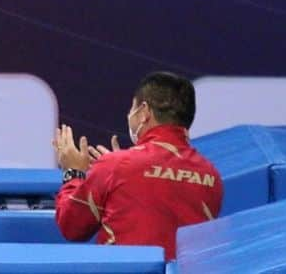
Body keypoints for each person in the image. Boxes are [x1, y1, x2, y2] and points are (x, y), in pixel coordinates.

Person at [52, 71, 223, 260]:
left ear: (143, 112)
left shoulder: (116, 166)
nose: (129, 115)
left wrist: (73, 172)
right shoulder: (211, 176)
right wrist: (118, 171)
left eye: (131, 108)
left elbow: (72, 226)